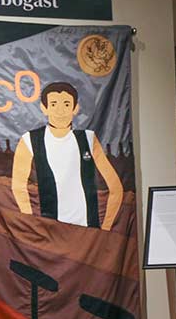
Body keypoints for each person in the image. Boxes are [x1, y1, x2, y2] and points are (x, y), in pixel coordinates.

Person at [11, 82, 123, 230]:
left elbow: (115, 186)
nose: (60, 111)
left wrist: (106, 226)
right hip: (50, 229)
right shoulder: (30, 140)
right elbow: (18, 186)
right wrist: (33, 224)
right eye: (53, 104)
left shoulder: (88, 139)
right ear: (44, 108)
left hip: (87, 229)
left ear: (75, 108)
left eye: (66, 104)